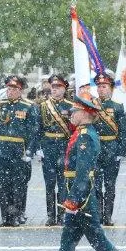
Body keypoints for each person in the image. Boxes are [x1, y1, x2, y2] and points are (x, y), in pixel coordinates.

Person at [23, 94, 126, 251]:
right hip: (78, 197)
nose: (71, 114)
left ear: (85, 114)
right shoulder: (81, 133)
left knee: (101, 244)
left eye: (75, 111)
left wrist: (75, 199)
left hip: (83, 199)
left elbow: (84, 171)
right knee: (66, 245)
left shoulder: (86, 136)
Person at [0, 76, 38, 227]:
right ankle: (5, 217)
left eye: (14, 89)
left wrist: (30, 151)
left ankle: (16, 214)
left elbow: (34, 131)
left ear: (20, 90)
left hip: (19, 150)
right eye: (8, 89)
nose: (10, 92)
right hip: (2, 150)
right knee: (4, 184)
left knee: (18, 184)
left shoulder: (28, 106)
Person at [35, 74, 73, 226]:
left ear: (65, 89)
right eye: (53, 87)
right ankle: (51, 215)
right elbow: (37, 129)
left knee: (64, 183)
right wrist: (38, 147)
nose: (55, 90)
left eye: (58, 87)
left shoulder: (70, 106)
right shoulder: (43, 106)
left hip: (64, 146)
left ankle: (63, 214)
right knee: (49, 183)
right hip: (48, 146)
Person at [92, 73, 126, 226]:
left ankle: (108, 215)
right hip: (95, 148)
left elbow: (123, 131)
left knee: (110, 184)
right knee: (96, 184)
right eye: (99, 86)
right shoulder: (91, 106)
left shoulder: (118, 107)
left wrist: (121, 151)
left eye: (104, 86)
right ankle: (98, 213)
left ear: (111, 89)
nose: (101, 89)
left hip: (112, 148)